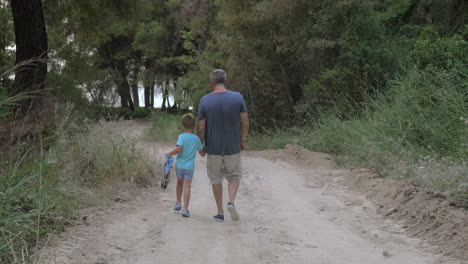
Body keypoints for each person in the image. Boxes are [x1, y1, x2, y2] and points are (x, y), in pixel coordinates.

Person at [198, 69, 249, 222]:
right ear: (225, 81)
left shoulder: (205, 100)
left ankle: (220, 212)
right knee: (234, 176)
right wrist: (242, 140)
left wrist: (201, 146)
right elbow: (245, 122)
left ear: (211, 82)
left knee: (216, 179)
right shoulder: (237, 97)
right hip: (232, 146)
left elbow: (201, 127)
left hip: (213, 148)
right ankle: (231, 202)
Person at [166, 113, 205, 217]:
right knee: (187, 187)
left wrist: (170, 153)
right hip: (189, 167)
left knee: (179, 184)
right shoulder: (196, 138)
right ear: (194, 126)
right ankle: (185, 209)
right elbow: (202, 153)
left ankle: (178, 202)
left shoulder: (181, 136)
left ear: (183, 126)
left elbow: (179, 149)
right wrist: (204, 149)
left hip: (180, 166)